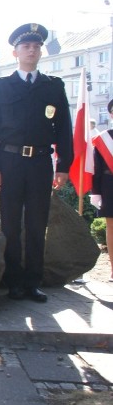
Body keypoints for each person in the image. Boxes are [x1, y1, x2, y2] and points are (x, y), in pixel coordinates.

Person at [0, 23, 73, 303]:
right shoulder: (1, 86)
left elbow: (64, 128)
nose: (32, 50)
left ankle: (32, 282)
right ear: (15, 52)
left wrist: (64, 165)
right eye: (26, 46)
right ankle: (13, 281)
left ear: (41, 51)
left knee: (36, 223)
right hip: (9, 162)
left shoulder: (53, 86)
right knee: (10, 224)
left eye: (36, 46)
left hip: (41, 163)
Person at [90, 99, 113, 280]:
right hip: (109, 185)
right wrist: (95, 191)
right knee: (112, 227)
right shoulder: (103, 139)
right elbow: (96, 168)